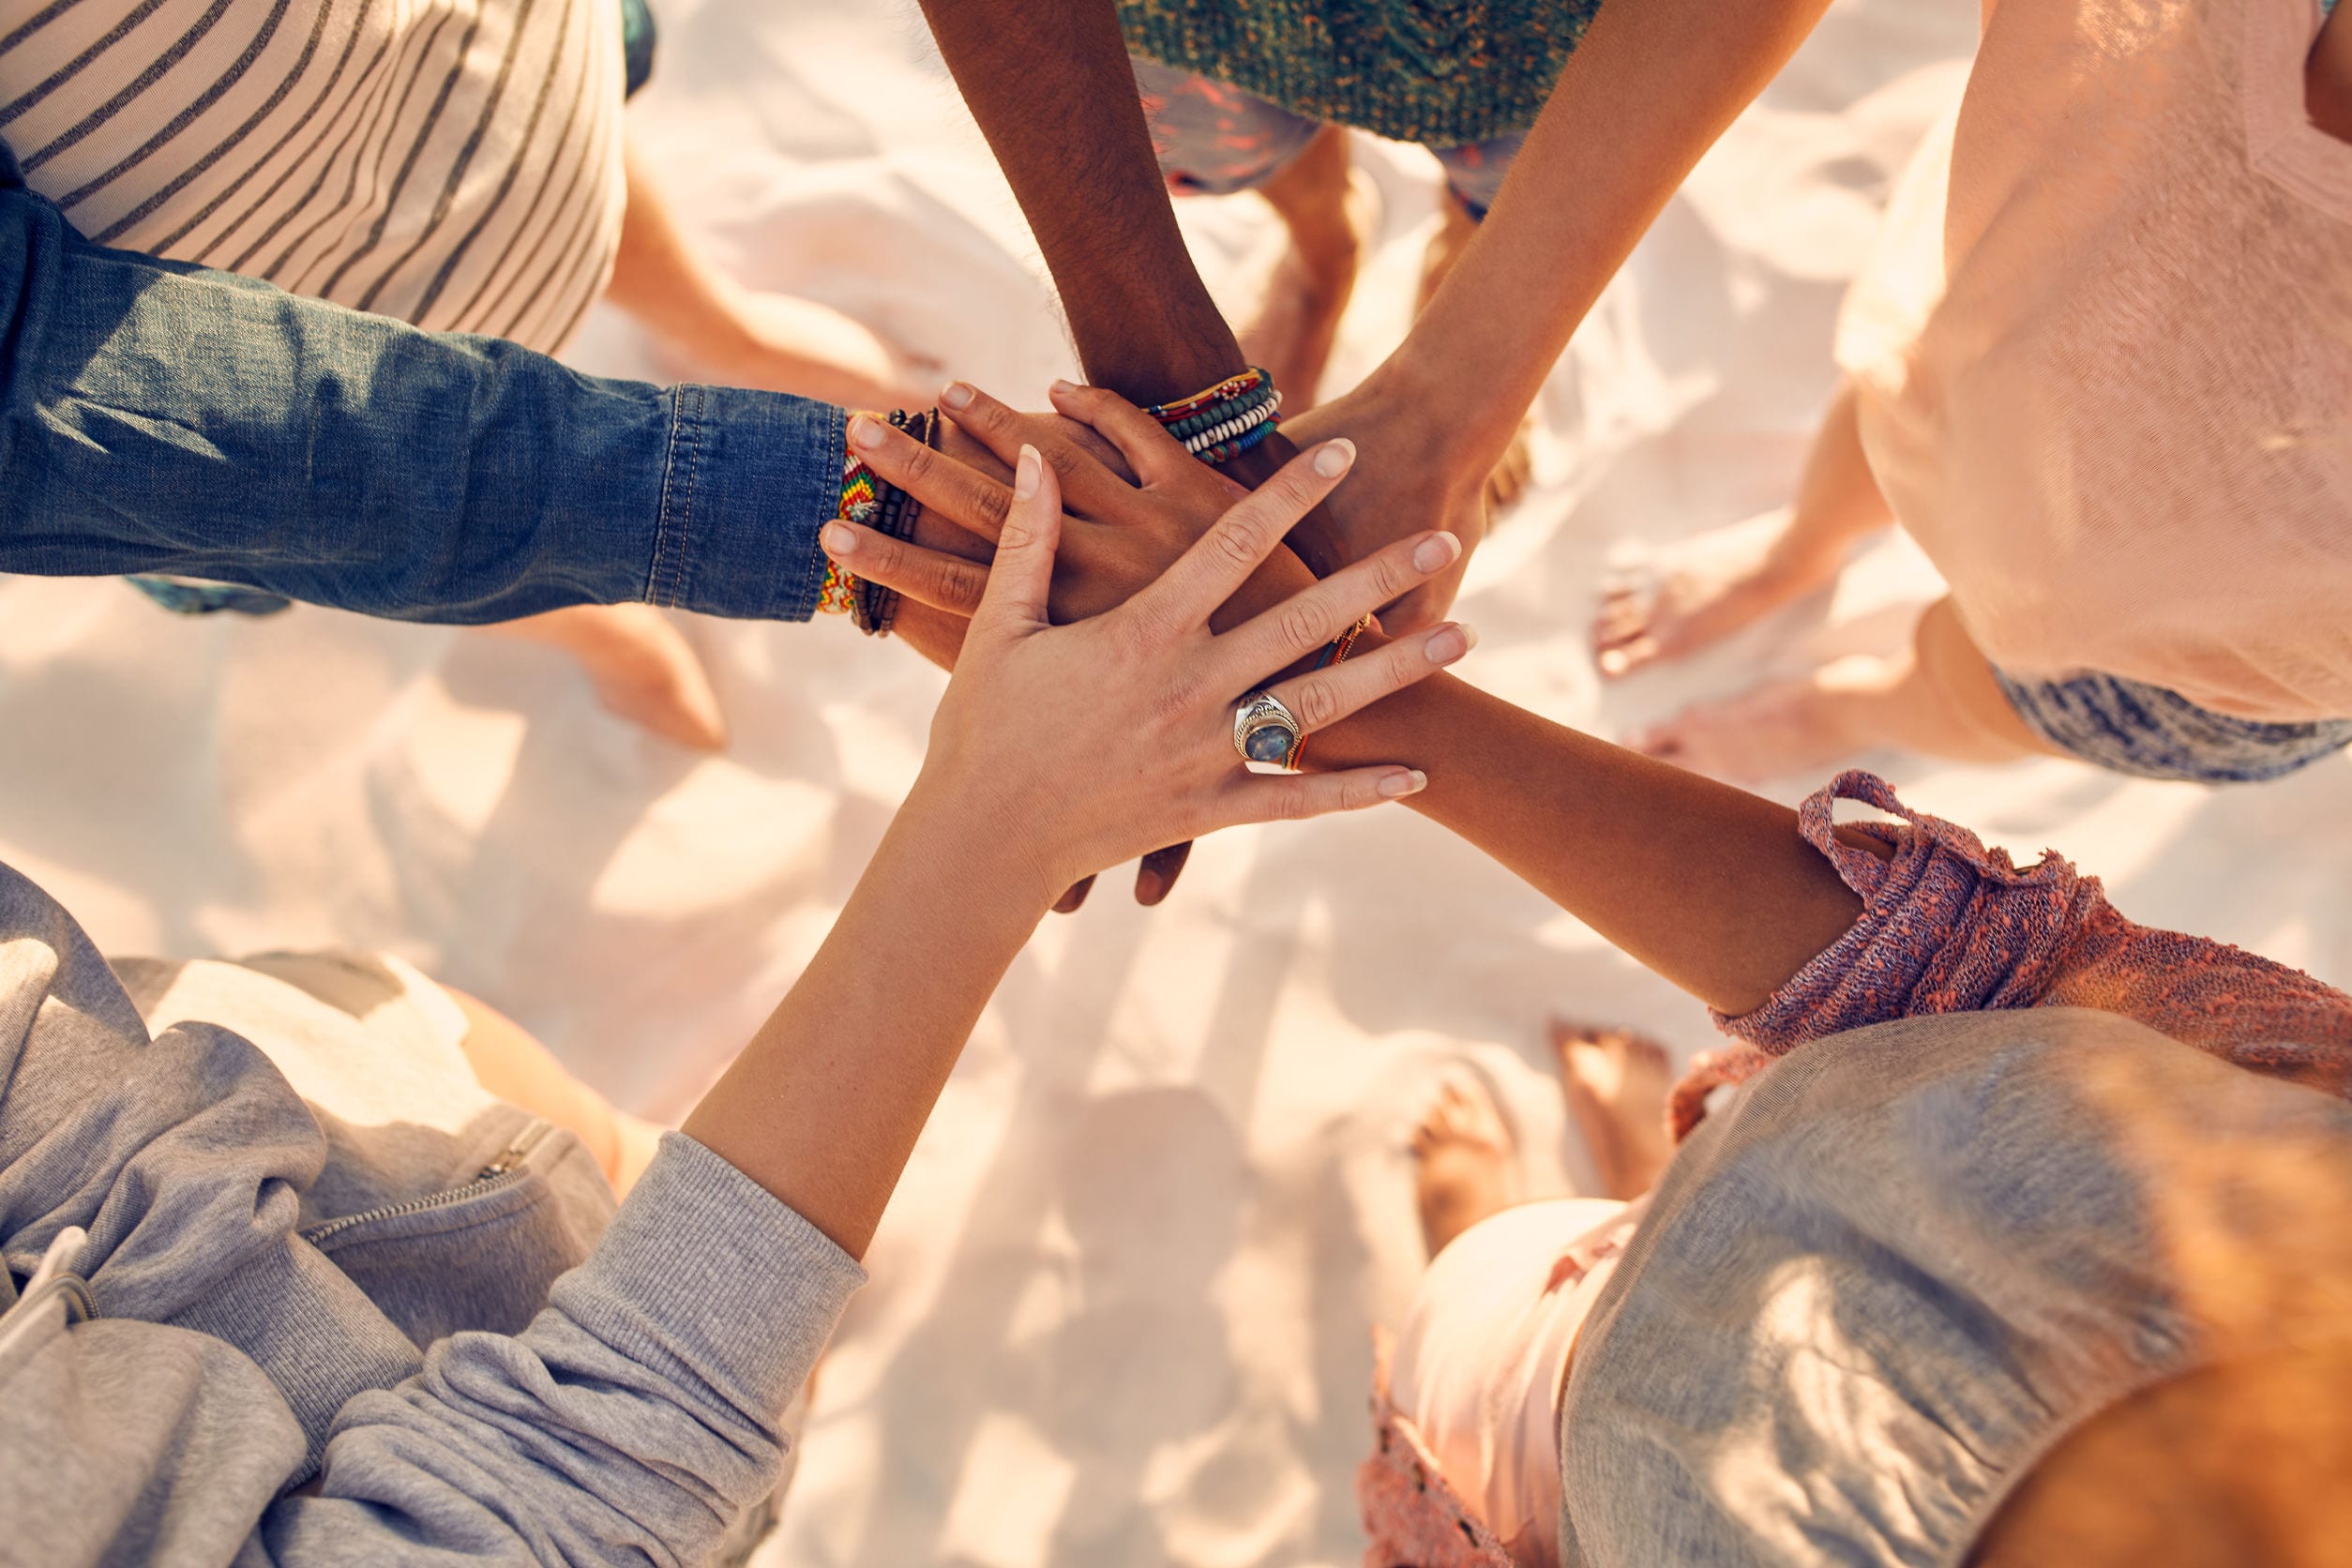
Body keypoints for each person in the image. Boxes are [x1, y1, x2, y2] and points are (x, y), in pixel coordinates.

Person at [835, 387, 2352, 1566]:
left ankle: (1523, 1227)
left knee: (1468, 1305)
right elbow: (1973, 983)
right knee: (1740, 1177)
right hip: (1819, 1158)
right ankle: (1651, 1182)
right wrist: (1297, 672)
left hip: (1548, 1436)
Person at [0, 436, 1469, 1562]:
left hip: (286, 1079)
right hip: (554, 1400)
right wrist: (993, 825)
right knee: (668, 1315)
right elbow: (554, 1504)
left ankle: (682, 1172)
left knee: (566, 1142)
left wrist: (812, 514)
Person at [0, 0, 929, 747]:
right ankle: (597, 625)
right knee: (355, 511)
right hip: (180, 297)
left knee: (514, 149)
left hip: (450, 60)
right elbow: (47, 373)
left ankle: (718, 329)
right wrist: (830, 513)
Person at [1591, 0, 2352, 787]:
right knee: (1907, 401)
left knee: (1961, 688)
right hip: (2012, 305)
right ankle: (1799, 554)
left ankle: (1846, 708)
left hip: (2229, 641)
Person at [916, 0, 1832, 631]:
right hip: (1205, 19)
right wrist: (1173, 374)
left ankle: (1451, 279)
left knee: (1515, 184)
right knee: (1241, 131)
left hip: (1557, 34)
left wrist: (1450, 401)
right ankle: (1328, 251)